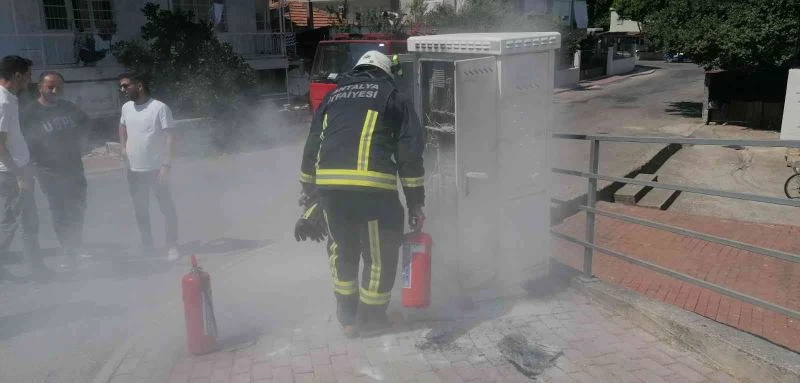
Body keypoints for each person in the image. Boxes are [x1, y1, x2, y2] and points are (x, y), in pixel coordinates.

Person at [295, 51, 426, 338]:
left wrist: (310, 194)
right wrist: (416, 201)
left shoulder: (333, 97)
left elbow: (312, 146)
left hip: (330, 188)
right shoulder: (393, 96)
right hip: (372, 190)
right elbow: (410, 156)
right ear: (384, 72)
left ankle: (348, 318)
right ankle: (372, 319)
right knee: (379, 256)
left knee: (343, 250)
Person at [20, 71, 91, 269]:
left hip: (74, 166)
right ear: (40, 87)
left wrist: (83, 143)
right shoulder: (29, 113)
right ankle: (68, 250)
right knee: (60, 210)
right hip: (48, 170)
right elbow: (22, 140)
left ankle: (76, 244)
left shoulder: (68, 108)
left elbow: (86, 123)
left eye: (59, 86)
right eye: (50, 86)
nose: (54, 90)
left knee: (78, 207)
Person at [117, 73, 180, 261]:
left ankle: (172, 246)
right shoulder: (126, 107)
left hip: (156, 168)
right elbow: (122, 126)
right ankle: (147, 245)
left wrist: (166, 165)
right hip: (134, 170)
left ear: (140, 85)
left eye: (125, 86)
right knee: (141, 210)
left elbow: (170, 136)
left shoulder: (159, 108)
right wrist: (122, 147)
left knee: (166, 209)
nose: (122, 90)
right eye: (121, 87)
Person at [0, 55, 52, 282]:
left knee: (27, 221)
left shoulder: (8, 98)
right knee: (12, 224)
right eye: (29, 75)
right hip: (10, 174)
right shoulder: (2, 101)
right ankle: (32, 269)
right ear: (17, 75)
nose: (30, 80)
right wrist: (19, 173)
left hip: (17, 170)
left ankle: (36, 267)